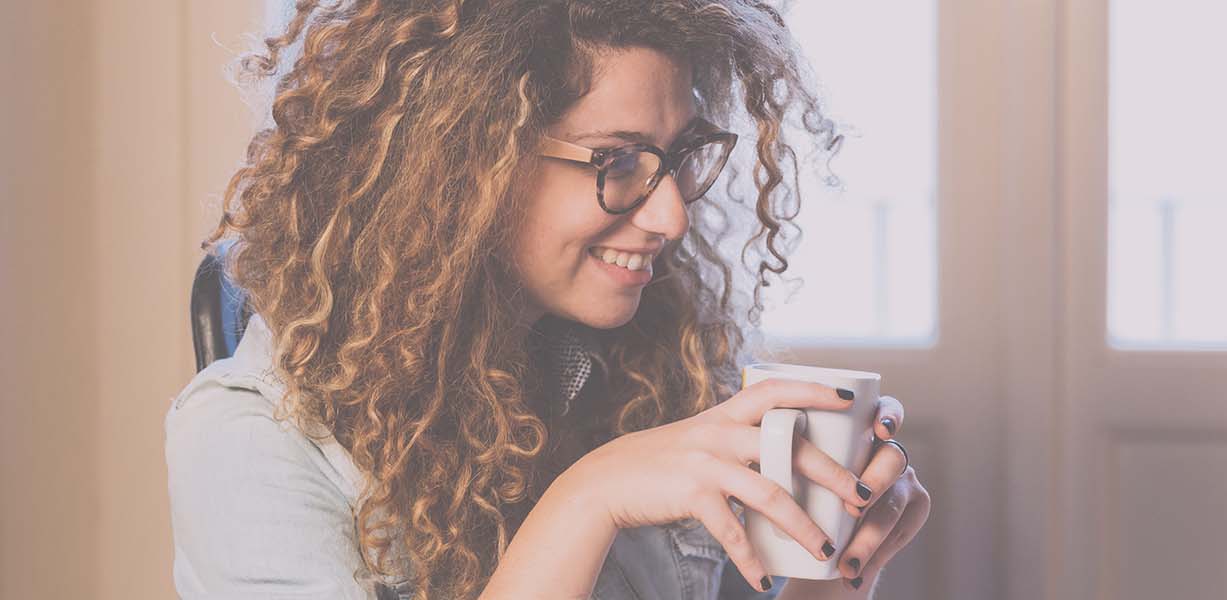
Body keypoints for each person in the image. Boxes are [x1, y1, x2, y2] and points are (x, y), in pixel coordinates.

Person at [164, 1, 930, 598]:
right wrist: (587, 501)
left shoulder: (650, 369)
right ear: (464, 165)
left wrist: (834, 572)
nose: (672, 217)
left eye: (678, 156)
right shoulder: (250, 438)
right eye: (618, 160)